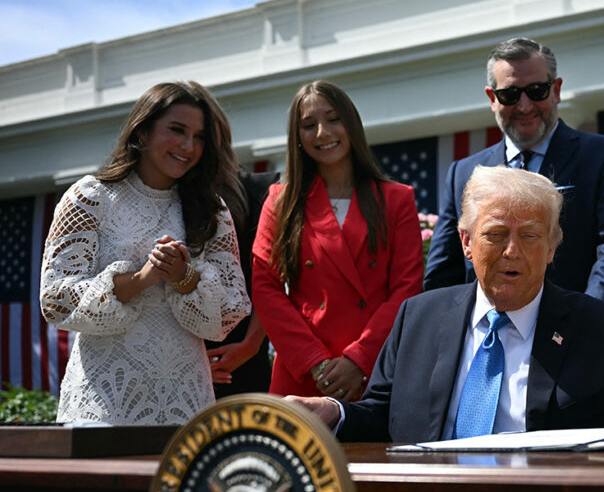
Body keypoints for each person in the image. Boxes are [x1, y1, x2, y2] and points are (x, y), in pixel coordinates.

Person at [287, 166, 604, 442]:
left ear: (553, 247)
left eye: (531, 236)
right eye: (496, 234)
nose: (511, 251)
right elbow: (381, 417)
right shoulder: (417, 318)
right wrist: (333, 412)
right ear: (466, 242)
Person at [40, 81, 250, 425]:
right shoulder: (91, 197)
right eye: (177, 130)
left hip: (186, 400)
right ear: (143, 131)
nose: (188, 146)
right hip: (104, 399)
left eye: (199, 137)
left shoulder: (213, 211)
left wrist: (185, 278)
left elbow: (232, 310)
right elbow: (55, 299)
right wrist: (142, 278)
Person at [423, 37, 604, 307]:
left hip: (571, 330)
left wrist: (590, 321)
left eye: (537, 91)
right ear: (492, 98)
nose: (525, 106)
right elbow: (445, 272)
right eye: (510, 95)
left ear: (556, 90)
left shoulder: (603, 157)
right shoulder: (464, 173)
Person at [252, 80, 423, 401]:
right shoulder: (280, 200)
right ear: (297, 137)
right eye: (309, 125)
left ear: (351, 124)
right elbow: (265, 289)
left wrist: (358, 360)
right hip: (303, 374)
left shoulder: (397, 199)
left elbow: (407, 290)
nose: (323, 133)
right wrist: (315, 363)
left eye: (333, 119)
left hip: (375, 370)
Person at [205, 168, 279, 396]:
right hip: (179, 364)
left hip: (246, 358)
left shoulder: (256, 189)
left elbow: (269, 275)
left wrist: (251, 344)